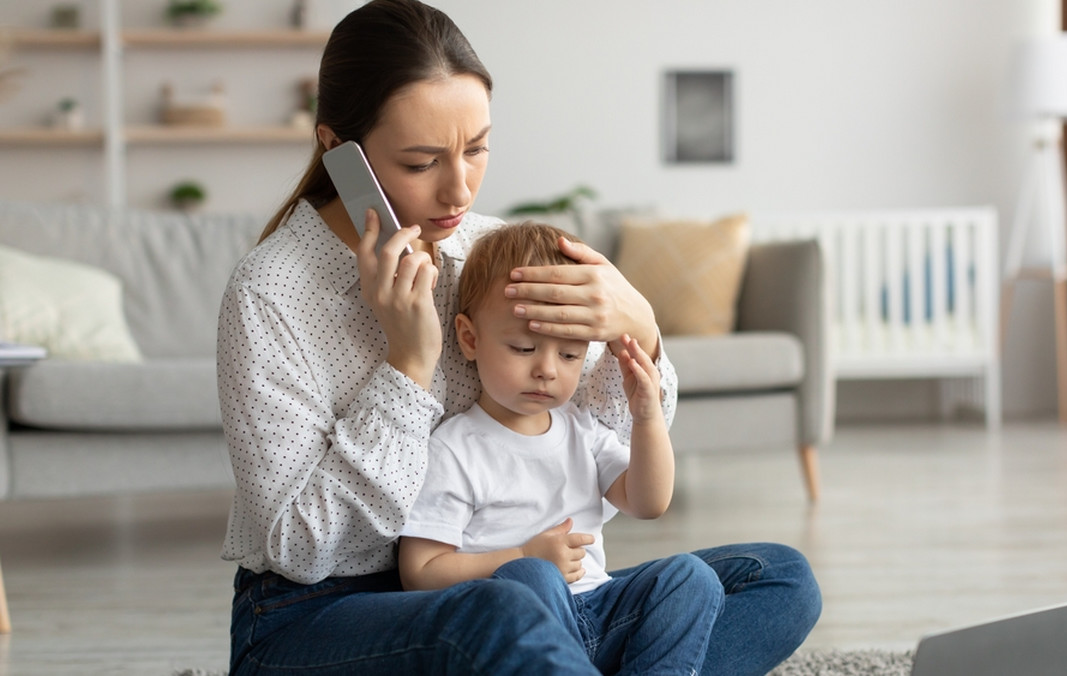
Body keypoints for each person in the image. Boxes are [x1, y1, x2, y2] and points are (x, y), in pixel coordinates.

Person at [216, 1, 821, 674]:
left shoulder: (493, 253)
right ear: (338, 151)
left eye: (476, 150)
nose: (460, 190)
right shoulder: (269, 293)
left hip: (517, 584)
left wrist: (640, 331)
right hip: (320, 615)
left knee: (777, 578)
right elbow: (303, 549)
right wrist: (409, 366)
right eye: (422, 163)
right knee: (502, 609)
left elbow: (595, 445)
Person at [398, 222, 723, 673]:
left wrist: (647, 419)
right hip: (521, 623)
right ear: (469, 339)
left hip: (600, 606)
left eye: (570, 355)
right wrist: (522, 557)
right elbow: (420, 570)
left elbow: (648, 503)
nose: (547, 370)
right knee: (531, 577)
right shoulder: (454, 448)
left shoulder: (581, 429)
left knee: (691, 577)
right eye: (523, 347)